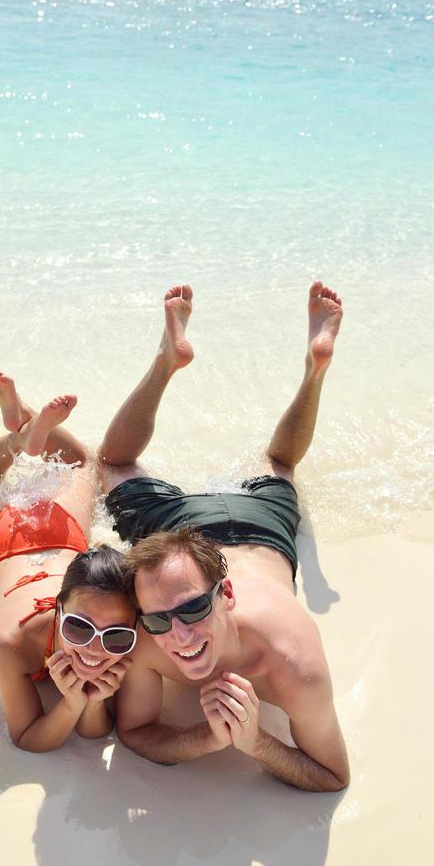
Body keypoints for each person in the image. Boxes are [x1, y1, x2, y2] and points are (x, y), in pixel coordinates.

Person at [98, 282, 350, 792]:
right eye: (160, 619)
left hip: (242, 528)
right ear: (143, 615)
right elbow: (134, 733)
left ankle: (179, 364)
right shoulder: (148, 637)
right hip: (231, 531)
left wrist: (254, 740)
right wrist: (208, 740)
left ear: (226, 594)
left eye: (192, 610)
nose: (181, 637)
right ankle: (311, 369)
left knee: (115, 463)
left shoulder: (294, 662)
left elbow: (334, 777)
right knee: (278, 463)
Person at [0, 369, 137, 753]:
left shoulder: (122, 645)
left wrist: (85, 701)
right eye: (78, 628)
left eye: (116, 635)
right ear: (57, 609)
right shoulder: (12, 642)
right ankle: (21, 431)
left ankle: (23, 432)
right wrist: (75, 702)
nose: (93, 650)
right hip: (6, 546)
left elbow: (92, 731)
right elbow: (27, 739)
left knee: (75, 463)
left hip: (55, 542)